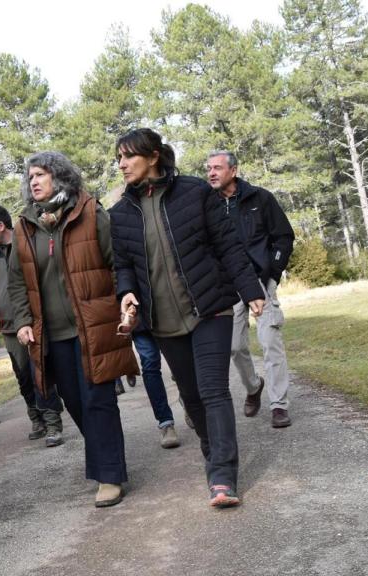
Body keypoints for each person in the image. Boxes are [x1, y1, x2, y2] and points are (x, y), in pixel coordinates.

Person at [108, 128, 264, 508]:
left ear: (153, 157)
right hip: (163, 321)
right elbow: (123, 265)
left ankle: (222, 476)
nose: (122, 164)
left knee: (213, 390)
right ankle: (213, 453)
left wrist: (251, 290)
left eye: (129, 156)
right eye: (119, 158)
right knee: (192, 397)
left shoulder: (195, 192)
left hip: (209, 308)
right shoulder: (120, 214)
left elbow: (228, 245)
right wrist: (126, 292)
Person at [8, 151, 140, 508]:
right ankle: (107, 458)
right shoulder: (24, 226)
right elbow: (17, 282)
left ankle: (109, 475)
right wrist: (23, 321)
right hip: (53, 336)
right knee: (76, 403)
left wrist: (124, 302)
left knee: (98, 401)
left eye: (41, 174)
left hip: (94, 326)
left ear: (60, 176)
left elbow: (116, 263)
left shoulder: (89, 211)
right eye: (30, 177)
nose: (34, 181)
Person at [207, 151, 296, 428]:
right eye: (208, 168)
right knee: (234, 347)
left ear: (233, 170)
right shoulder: (207, 205)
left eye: (217, 168)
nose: (211, 173)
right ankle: (254, 386)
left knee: (270, 342)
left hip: (261, 281)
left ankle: (279, 405)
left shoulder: (260, 198)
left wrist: (273, 274)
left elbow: (284, 237)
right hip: (230, 285)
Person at [0, 205, 65, 444]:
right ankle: (36, 418)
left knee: (41, 372)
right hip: (8, 327)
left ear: (0, 226)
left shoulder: (25, 243)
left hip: (33, 321)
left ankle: (52, 423)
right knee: (23, 376)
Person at [131, 330, 181, 448]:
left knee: (179, 359)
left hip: (169, 321)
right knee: (150, 365)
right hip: (140, 325)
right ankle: (166, 423)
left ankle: (189, 401)